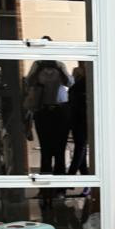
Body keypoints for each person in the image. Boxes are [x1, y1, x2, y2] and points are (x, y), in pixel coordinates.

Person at [24, 37, 72, 176]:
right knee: (45, 149)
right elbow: (28, 83)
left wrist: (59, 68)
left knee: (59, 150)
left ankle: (60, 184)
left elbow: (69, 83)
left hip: (60, 110)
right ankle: (46, 184)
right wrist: (38, 69)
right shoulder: (37, 65)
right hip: (42, 111)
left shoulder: (60, 65)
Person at [68, 61, 89, 176]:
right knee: (81, 148)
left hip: (80, 117)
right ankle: (75, 176)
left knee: (81, 147)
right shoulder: (81, 82)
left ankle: (77, 175)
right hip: (78, 117)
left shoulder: (86, 82)